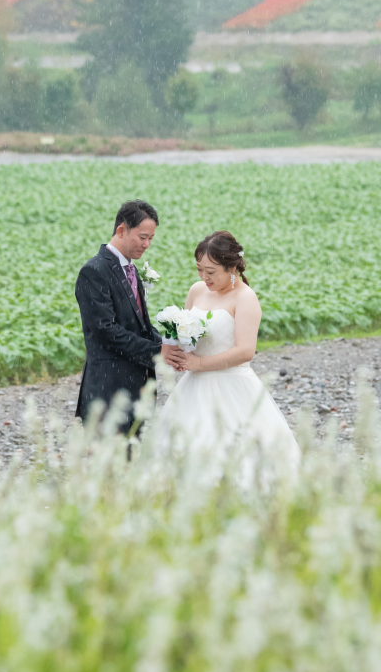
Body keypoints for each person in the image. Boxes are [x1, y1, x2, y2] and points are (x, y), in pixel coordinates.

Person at [156, 230, 300, 483]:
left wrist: (199, 363)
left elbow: (245, 351)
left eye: (211, 272)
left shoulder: (245, 298)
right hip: (193, 386)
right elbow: (187, 334)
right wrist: (177, 350)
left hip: (232, 384)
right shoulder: (197, 290)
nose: (204, 277)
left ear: (232, 267)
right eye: (200, 269)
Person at [75, 199, 181, 433]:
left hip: (135, 390)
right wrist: (157, 351)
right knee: (107, 467)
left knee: (128, 463)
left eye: (151, 239)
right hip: (107, 391)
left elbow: (140, 325)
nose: (147, 245)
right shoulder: (94, 271)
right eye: (143, 237)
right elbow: (105, 330)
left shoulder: (130, 269)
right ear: (121, 230)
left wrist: (169, 347)